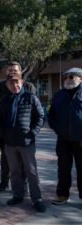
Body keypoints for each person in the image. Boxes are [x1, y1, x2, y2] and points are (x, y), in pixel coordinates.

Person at [0, 74, 46, 212]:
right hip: (10, 143)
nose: (14, 85)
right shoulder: (4, 100)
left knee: (31, 171)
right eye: (11, 83)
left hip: (26, 142)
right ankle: (18, 195)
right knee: (15, 171)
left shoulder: (31, 97)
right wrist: (3, 135)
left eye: (17, 82)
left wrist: (33, 132)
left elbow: (40, 116)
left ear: (22, 82)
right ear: (7, 85)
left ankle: (37, 199)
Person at [0, 61, 36, 193]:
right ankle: (4, 183)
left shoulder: (29, 86)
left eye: (15, 70)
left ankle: (24, 185)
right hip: (6, 133)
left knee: (25, 163)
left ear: (20, 72)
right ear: (6, 72)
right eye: (10, 70)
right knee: (5, 159)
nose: (12, 72)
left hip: (24, 133)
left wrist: (33, 131)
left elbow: (35, 112)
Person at [48, 67, 82, 205]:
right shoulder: (58, 95)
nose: (68, 79)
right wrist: (58, 130)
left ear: (80, 78)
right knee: (63, 168)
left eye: (72, 76)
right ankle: (62, 195)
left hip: (80, 140)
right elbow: (51, 115)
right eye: (67, 77)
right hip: (63, 140)